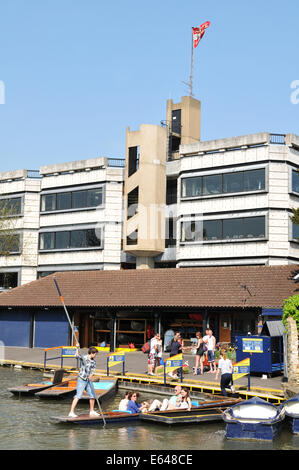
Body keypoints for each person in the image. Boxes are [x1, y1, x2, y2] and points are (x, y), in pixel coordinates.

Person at [68, 346, 99, 418]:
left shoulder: (93, 361)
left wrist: (91, 375)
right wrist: (77, 348)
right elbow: (76, 356)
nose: (95, 356)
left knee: (92, 395)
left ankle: (91, 411)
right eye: (95, 354)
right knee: (78, 396)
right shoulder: (84, 358)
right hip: (81, 379)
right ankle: (71, 412)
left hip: (88, 380)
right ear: (91, 353)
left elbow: (92, 370)